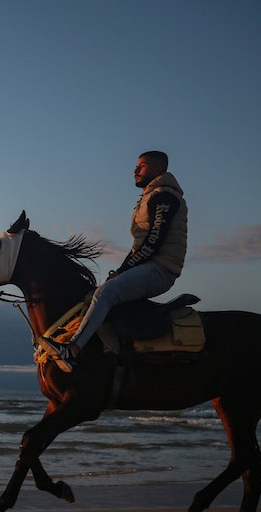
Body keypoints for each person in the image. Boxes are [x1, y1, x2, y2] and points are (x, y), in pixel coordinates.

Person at [39, 150, 188, 373]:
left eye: (142, 165)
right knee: (97, 294)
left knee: (105, 294)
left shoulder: (165, 196)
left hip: (161, 269)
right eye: (136, 165)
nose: (135, 170)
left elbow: (154, 242)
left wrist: (124, 269)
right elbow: (140, 246)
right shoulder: (151, 196)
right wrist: (121, 270)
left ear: (158, 169)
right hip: (149, 265)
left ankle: (72, 350)